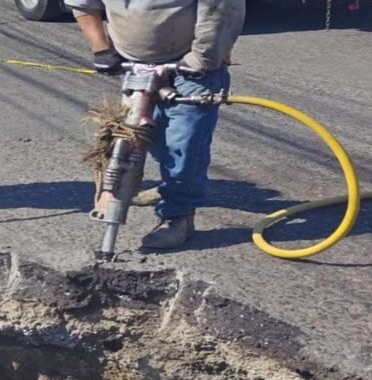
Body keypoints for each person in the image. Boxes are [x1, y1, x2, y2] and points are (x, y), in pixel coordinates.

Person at [67, 0, 245, 249]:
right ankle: (170, 186)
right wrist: (101, 49)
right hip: (136, 66)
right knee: (145, 137)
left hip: (191, 66)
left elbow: (221, 9)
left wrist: (202, 58)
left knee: (182, 145)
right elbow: (84, 4)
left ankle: (178, 215)